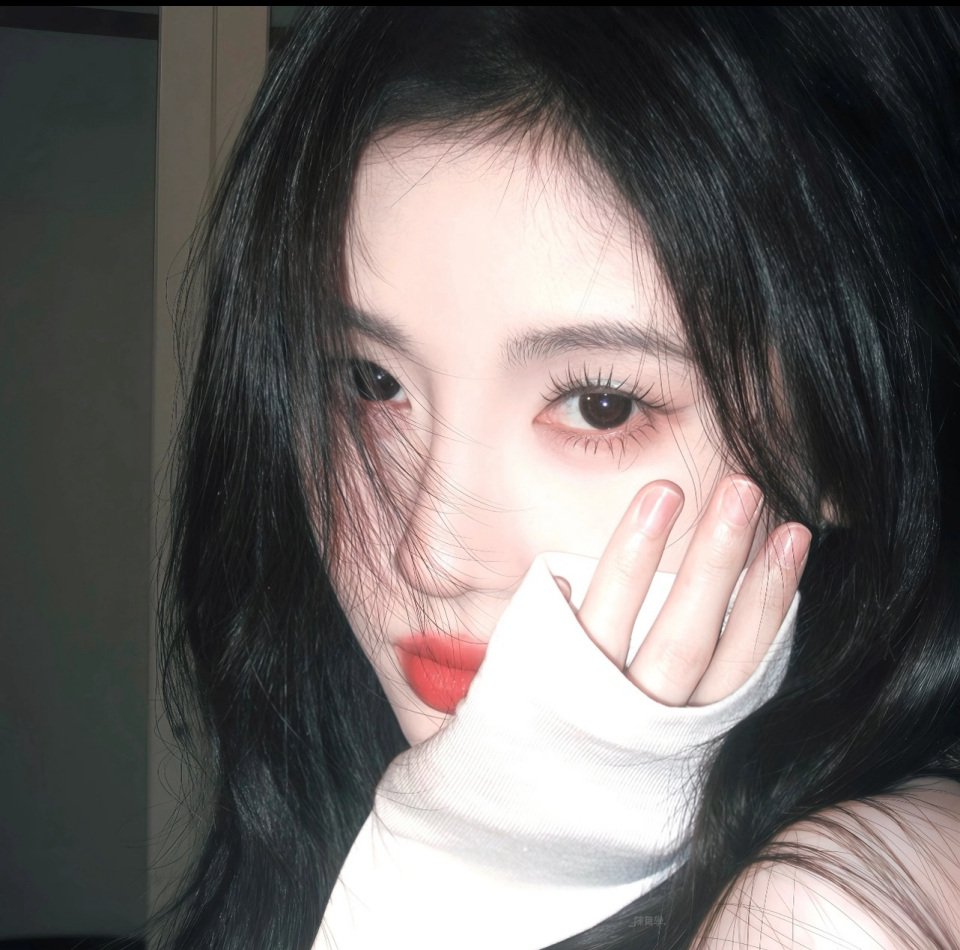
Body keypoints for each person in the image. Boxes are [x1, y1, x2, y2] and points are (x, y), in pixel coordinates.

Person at [155, 7, 960, 949]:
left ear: (855, 434)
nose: (430, 554)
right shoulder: (330, 791)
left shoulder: (828, 914)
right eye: (371, 383)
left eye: (600, 406)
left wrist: (466, 886)